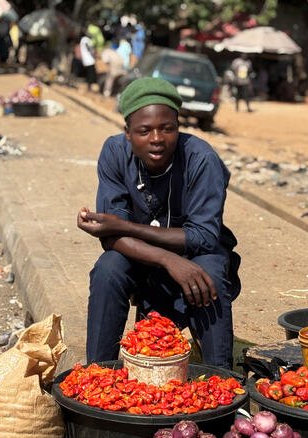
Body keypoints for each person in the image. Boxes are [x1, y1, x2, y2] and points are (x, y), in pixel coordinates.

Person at [77, 77, 241, 369]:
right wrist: (167, 260)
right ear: (128, 133)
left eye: (168, 128)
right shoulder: (114, 153)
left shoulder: (201, 159)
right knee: (108, 269)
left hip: (195, 254)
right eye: (144, 130)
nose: (157, 138)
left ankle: (222, 378)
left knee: (210, 272)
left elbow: (203, 236)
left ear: (179, 128)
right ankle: (97, 374)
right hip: (145, 258)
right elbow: (109, 238)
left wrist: (124, 226)